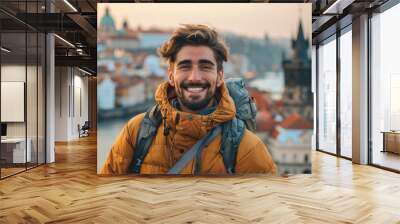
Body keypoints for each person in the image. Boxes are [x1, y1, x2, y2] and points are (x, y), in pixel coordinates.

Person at [101, 24, 276, 175]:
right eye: (185, 66)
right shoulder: (136, 132)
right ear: (170, 75)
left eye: (205, 66)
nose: (194, 77)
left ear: (220, 76)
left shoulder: (248, 149)